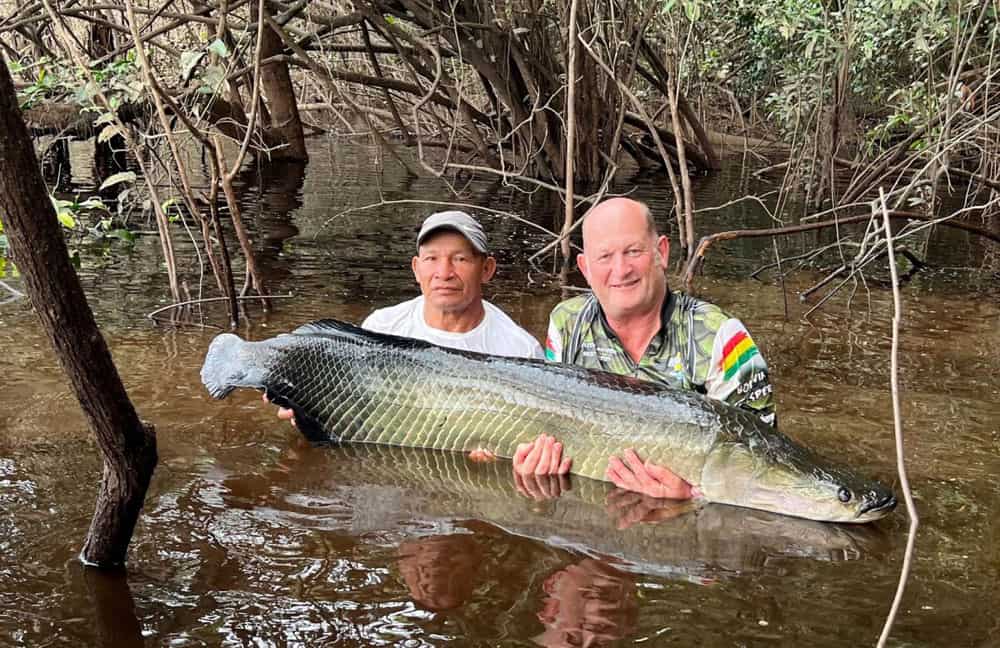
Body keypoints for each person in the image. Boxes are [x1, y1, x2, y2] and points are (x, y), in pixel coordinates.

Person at [513, 197, 775, 500]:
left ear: (660, 252)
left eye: (633, 251)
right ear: (584, 268)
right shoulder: (566, 323)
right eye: (604, 257)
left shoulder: (722, 335)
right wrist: (534, 464)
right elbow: (551, 422)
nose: (621, 269)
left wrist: (692, 498)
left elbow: (763, 455)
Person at [267, 210, 544, 423]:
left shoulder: (521, 350)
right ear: (416, 268)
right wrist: (311, 413)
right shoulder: (382, 328)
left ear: (487, 269)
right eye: (431, 259)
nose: (444, 272)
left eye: (460, 259)